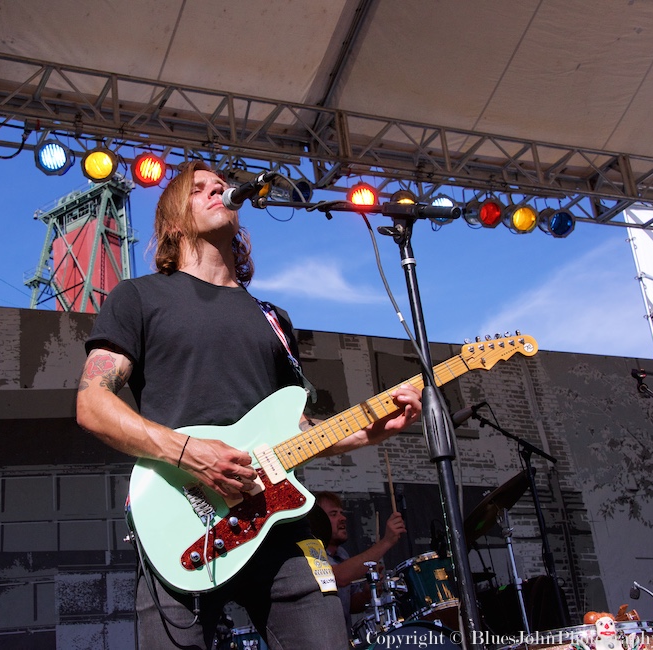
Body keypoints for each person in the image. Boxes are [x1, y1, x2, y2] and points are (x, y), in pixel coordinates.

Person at [75, 161, 423, 650]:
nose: (218, 189)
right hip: (182, 518)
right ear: (173, 221)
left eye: (221, 185)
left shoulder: (273, 318)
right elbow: (92, 403)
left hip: (283, 524)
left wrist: (371, 429)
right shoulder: (139, 297)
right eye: (199, 189)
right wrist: (189, 452)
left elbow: (297, 427)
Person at [315, 491, 407, 634]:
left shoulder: (342, 554)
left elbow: (351, 605)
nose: (343, 518)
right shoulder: (310, 553)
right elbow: (339, 577)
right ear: (316, 521)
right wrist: (387, 541)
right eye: (333, 514)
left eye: (341, 512)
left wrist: (367, 593)